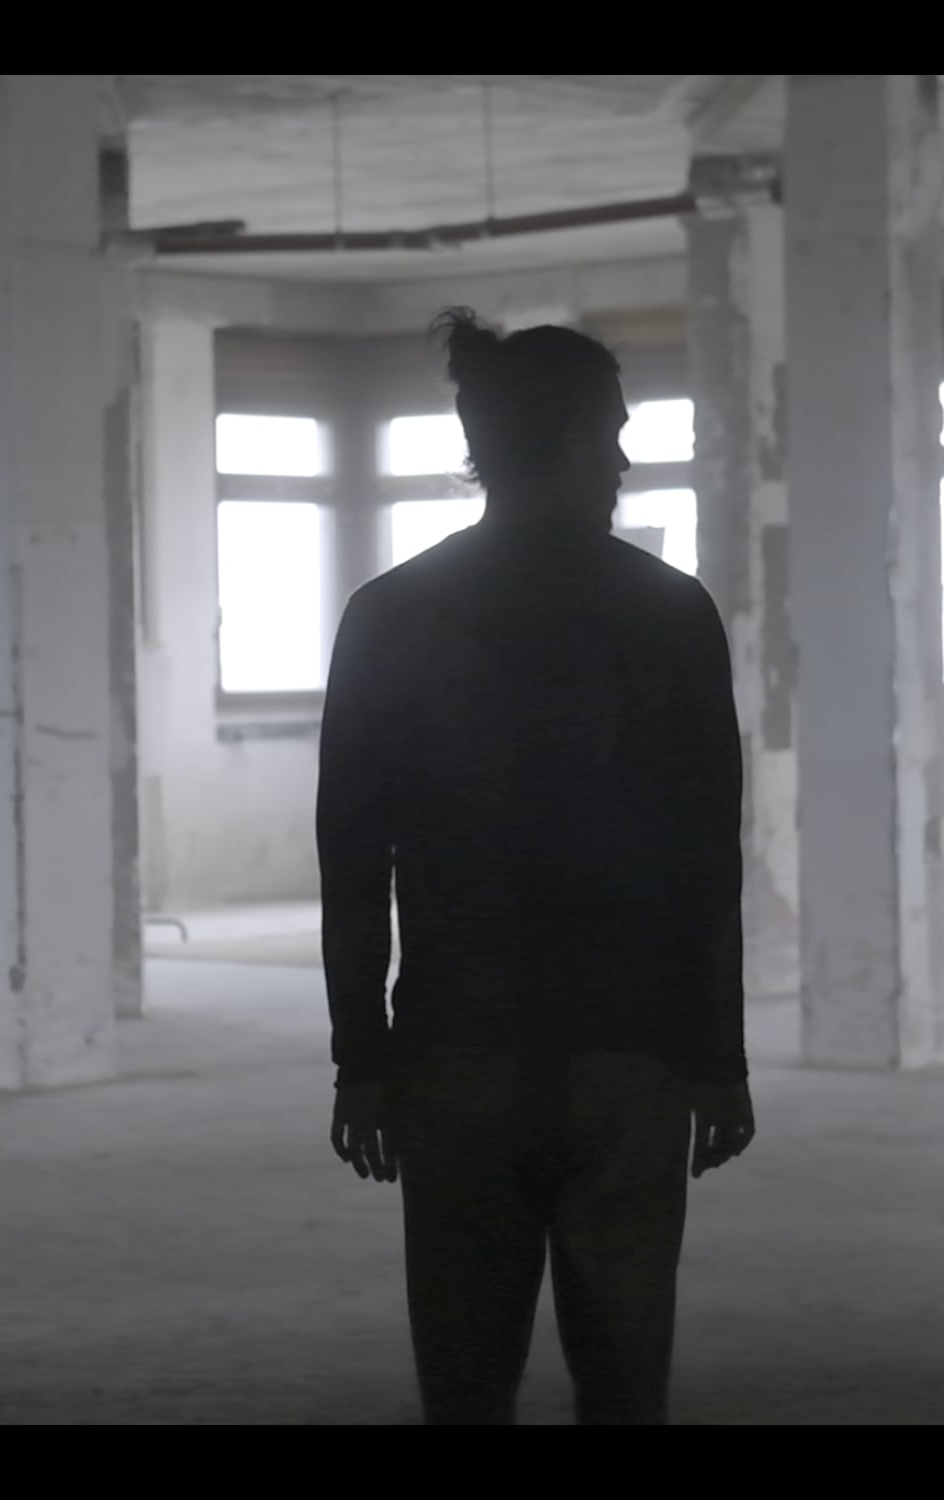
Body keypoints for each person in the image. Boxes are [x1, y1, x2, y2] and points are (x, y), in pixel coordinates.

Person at [316, 307, 754, 1426]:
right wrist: (718, 1059)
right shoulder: (669, 614)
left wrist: (362, 1061)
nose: (623, 459)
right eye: (614, 432)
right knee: (625, 1379)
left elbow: (353, 861)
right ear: (567, 439)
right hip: (630, 1053)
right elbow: (706, 862)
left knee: (465, 1377)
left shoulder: (390, 615)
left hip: (456, 1048)